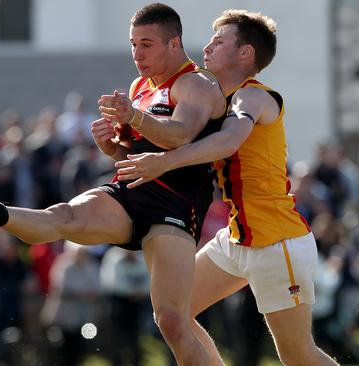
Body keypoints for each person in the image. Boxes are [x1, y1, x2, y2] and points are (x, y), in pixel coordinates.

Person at [0, 3, 227, 365]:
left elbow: (179, 135)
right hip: (129, 192)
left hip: (174, 207)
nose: (137, 54)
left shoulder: (196, 83)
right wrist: (111, 146)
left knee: (173, 321)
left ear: (174, 43)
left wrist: (132, 116)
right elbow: (130, 155)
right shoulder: (140, 87)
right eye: (133, 44)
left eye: (146, 44)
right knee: (63, 217)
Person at [113, 10, 338, 365]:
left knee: (297, 355)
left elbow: (229, 142)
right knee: (174, 314)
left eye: (219, 41)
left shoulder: (253, 98)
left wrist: (165, 161)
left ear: (245, 53)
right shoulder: (215, 99)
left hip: (277, 242)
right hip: (237, 240)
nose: (206, 47)